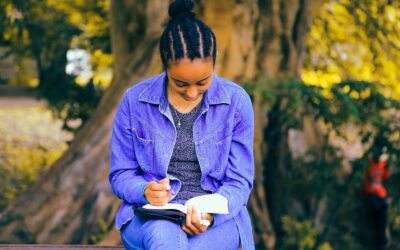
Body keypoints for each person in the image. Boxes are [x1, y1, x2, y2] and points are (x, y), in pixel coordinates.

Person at [108, 0, 255, 249]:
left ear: (214, 62)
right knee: (164, 235)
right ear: (165, 63)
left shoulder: (236, 102)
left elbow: (239, 181)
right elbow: (121, 173)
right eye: (181, 84)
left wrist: (209, 213)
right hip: (149, 218)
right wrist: (145, 191)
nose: (192, 93)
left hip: (218, 219)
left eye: (202, 82)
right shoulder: (135, 101)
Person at [362, 149, 391, 250]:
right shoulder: (369, 167)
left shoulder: (381, 166)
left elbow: (387, 176)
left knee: (381, 219)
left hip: (380, 196)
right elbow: (365, 181)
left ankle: (381, 244)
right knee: (375, 218)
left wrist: (387, 167)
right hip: (372, 195)